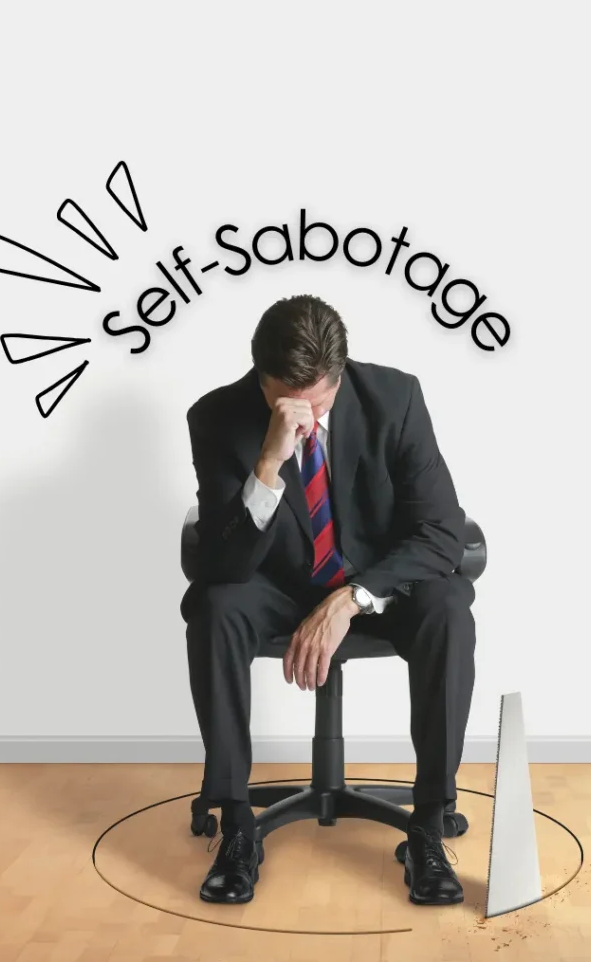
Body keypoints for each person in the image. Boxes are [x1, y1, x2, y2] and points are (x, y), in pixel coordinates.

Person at [181, 293, 476, 906]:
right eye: (289, 402)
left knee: (448, 603)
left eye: (320, 401)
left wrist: (352, 599)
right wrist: (268, 463)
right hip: (273, 586)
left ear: (339, 378)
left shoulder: (395, 399)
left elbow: (442, 531)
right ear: (261, 380)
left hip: (372, 586)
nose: (307, 417)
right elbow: (221, 564)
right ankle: (237, 823)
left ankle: (428, 821)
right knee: (214, 607)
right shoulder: (216, 416)